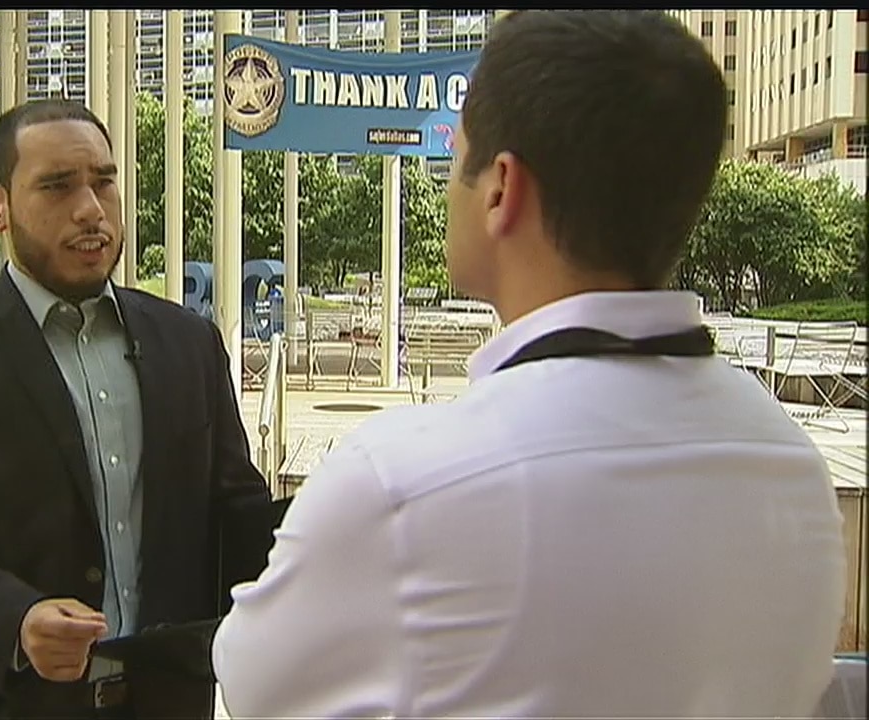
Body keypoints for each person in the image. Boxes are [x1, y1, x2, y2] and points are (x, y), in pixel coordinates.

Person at [211, 10, 847, 719]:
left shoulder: (401, 485)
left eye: (454, 160)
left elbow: (250, 682)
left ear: (501, 189)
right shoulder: (793, 472)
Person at [0, 98, 275, 719]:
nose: (90, 209)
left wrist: (346, 518)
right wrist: (15, 621)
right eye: (57, 186)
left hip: (166, 699)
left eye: (104, 182)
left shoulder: (189, 343)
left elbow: (235, 515)